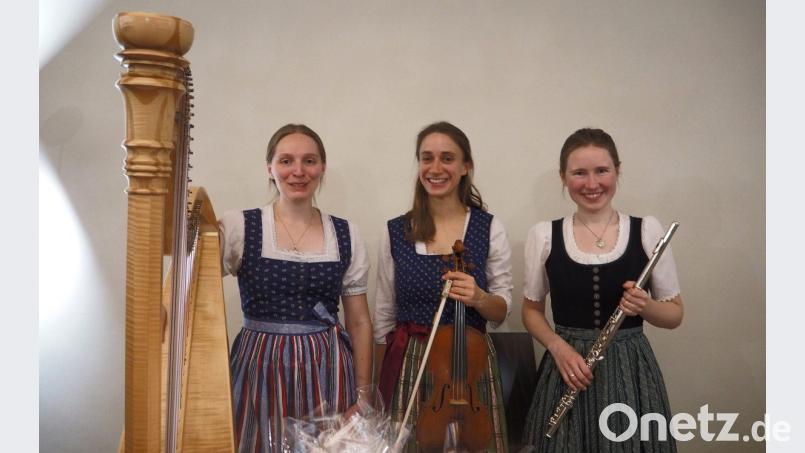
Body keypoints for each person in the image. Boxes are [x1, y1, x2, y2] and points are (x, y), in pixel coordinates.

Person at [520, 128, 683, 452]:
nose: (592, 184)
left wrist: (645, 306)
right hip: (567, 367)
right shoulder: (544, 236)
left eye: (602, 171)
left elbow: (674, 314)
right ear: (563, 177)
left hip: (630, 369)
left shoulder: (647, 230)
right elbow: (531, 310)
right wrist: (558, 347)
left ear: (617, 171)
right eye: (579, 172)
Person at [219, 124, 373, 452]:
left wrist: (363, 393)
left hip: (327, 368)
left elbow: (359, 321)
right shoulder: (239, 226)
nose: (298, 171)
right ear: (270, 169)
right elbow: (191, 284)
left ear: (322, 168)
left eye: (309, 161)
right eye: (286, 161)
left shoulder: (346, 234)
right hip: (259, 367)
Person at [373, 121, 513, 452]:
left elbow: (502, 311)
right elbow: (383, 314)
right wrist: (379, 390)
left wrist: (479, 297)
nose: (435, 168)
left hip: (472, 365)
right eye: (427, 158)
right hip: (411, 362)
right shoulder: (396, 230)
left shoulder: (488, 227)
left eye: (447, 158)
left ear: (466, 167)